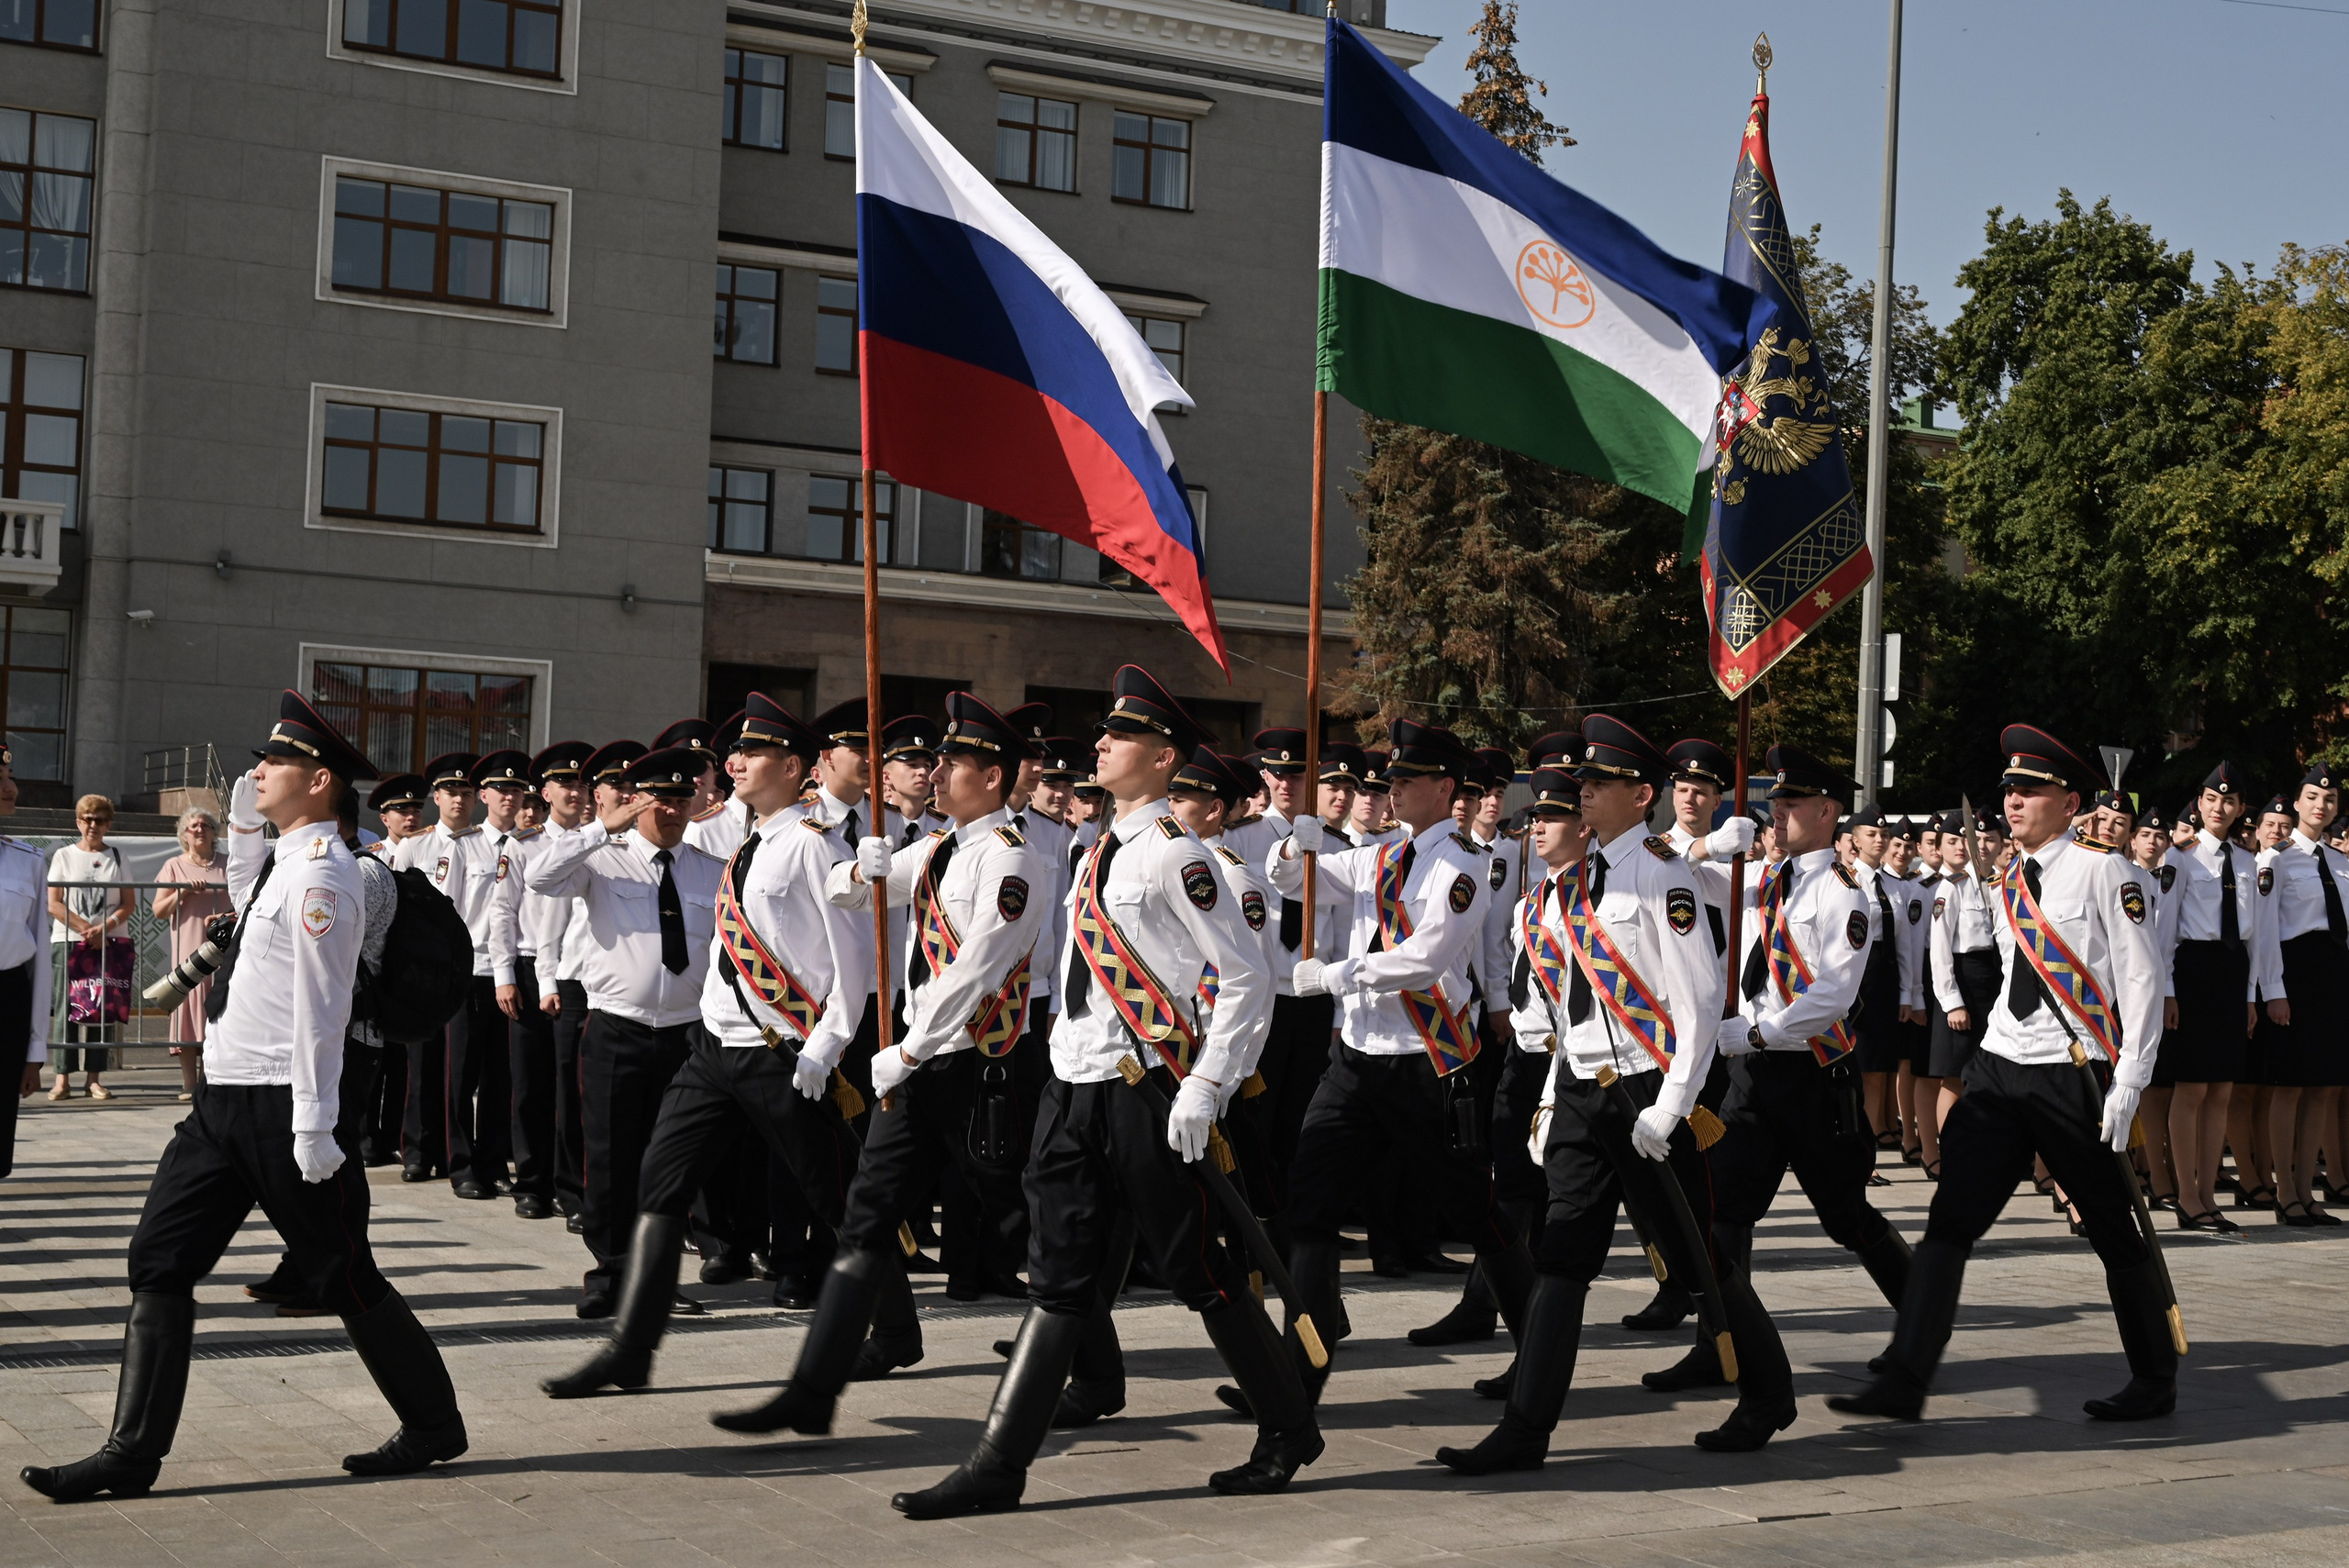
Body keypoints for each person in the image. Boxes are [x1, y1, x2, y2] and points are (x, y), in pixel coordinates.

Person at [20, 694, 465, 1502]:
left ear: (320, 779)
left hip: (281, 1103)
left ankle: (435, 1422)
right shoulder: (288, 861)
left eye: (276, 762)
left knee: (344, 1273)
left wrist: (314, 1124)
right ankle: (131, 1452)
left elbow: (323, 1006)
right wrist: (246, 825)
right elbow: (247, 880)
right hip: (221, 1103)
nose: (257, 770)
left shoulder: (328, 873)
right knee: (159, 1260)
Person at [888, 665, 1309, 1518]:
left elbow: (1245, 976)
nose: (1102, 743)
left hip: (1143, 1095)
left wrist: (1205, 1086)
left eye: (1121, 735)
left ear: (1162, 758)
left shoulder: (1176, 855)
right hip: (1072, 1086)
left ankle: (1287, 1424)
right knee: (1061, 1278)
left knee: (1197, 1270)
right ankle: (999, 1466)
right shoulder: (1092, 850)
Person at [1437, 724, 1792, 1474]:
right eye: (1581, 784)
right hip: (1579, 1091)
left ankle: (1768, 1392)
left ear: (1641, 795)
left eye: (1599, 783)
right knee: (1563, 1256)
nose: (1582, 792)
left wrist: (1673, 1103)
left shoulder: (1665, 878)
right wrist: (1548, 1097)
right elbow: (1569, 1002)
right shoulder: (1568, 884)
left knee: (1695, 1255)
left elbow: (1696, 1005)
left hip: (1646, 1088)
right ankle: (1525, 1428)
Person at [709, 693, 1042, 1431]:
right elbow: (847, 896)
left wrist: (910, 1048)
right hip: (914, 1069)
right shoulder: (935, 847)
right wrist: (863, 870)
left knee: (1021, 1218)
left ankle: (1091, 1361)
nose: (935, 772)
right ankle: (816, 1387)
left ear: (990, 777)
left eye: (952, 761)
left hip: (972, 1068)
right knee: (863, 1218)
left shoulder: (1013, 857)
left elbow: (978, 967)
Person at [1830, 724, 2172, 1426]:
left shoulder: (2107, 869)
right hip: (2000, 1065)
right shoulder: (2007, 875)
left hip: (2071, 1072)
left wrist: (2130, 1081)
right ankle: (1906, 1374)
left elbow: (2141, 978)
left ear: (2069, 799)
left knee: (2113, 1227)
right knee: (1949, 1219)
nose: (2013, 800)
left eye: (2030, 789)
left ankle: (2154, 1375)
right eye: (2009, 788)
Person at [544, 708, 893, 1394]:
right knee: (658, 1185)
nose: (734, 760)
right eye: (732, 751)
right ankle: (632, 1347)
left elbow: (857, 958)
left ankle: (896, 1329)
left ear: (793, 767)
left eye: (752, 751)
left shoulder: (812, 843)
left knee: (835, 1197)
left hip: (777, 1050)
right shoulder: (743, 841)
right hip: (712, 1048)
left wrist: (827, 1043)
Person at [1266, 717, 1538, 1407]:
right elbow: (1304, 884)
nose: (1392, 787)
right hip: (1357, 1063)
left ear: (1444, 787)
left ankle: (1539, 1349)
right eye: (1390, 778)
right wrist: (1290, 847)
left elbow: (1426, 960)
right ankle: (1301, 1371)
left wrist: (1336, 975)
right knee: (1309, 1208)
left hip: (1429, 1064)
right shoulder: (1380, 855)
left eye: (1407, 778)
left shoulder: (1464, 866)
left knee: (1475, 1210)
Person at [1642, 743, 1909, 1401]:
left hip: (1813, 1079)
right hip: (1754, 1079)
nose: (1777, 813)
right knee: (1723, 1211)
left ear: (1825, 811)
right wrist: (1706, 848)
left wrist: (1756, 1029)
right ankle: (1718, 1341)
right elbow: (1665, 873)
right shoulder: (1762, 878)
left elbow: (1832, 997)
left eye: (1790, 802)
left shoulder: (1843, 894)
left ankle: (1919, 1330)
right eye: (1774, 803)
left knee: (1846, 1216)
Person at [525, 747, 725, 1318]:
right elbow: (542, 878)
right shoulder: (601, 861)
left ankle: (658, 1278)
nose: (671, 810)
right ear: (636, 802)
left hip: (688, 1034)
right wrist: (597, 828)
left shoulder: (710, 870)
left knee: (669, 1163)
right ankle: (611, 1273)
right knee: (610, 1158)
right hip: (618, 1027)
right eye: (659, 799)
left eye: (681, 799)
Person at [2159, 762, 2271, 1230]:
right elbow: (2164, 931)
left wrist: (2250, 997)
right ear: (2199, 804)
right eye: (2211, 799)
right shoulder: (2179, 857)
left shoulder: (2248, 862)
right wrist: (2166, 991)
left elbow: (2256, 937)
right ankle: (2186, 1196)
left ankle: (2208, 1195)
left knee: (2222, 1090)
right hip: (2192, 972)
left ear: (2241, 808)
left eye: (2229, 801)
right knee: (2191, 1089)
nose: (2219, 808)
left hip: (2231, 974)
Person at [389, 755, 496, 1190]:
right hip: (424, 969)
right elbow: (394, 907)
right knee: (420, 1065)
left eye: (466, 793)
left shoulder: (489, 846)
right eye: (451, 792)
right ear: (436, 797)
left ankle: (460, 1162)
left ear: (476, 798)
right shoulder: (415, 845)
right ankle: (418, 1151)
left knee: (459, 1071)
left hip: (470, 968)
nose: (458, 799)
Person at [2254, 764, 2346, 1224]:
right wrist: (2273, 990)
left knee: (2323, 1088)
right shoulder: (2277, 859)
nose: (2321, 806)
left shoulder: (2342, 862)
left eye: (2329, 800)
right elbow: (2267, 931)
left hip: (2335, 977)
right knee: (2289, 1087)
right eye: (2312, 797)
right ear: (2296, 803)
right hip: (2296, 974)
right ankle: (2285, 1193)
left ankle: (2309, 1191)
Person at [475, 750, 562, 1219]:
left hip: (578, 972)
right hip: (529, 969)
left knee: (572, 1089)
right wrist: (504, 975)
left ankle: (570, 1184)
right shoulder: (523, 846)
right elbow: (502, 912)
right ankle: (532, 1182)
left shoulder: (603, 844)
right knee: (529, 1084)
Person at [46, 795, 131, 1100]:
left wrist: (102, 930)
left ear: (108, 824)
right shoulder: (64, 856)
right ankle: (61, 1078)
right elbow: (54, 903)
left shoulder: (118, 857)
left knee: (101, 1008)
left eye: (99, 819)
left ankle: (94, 1078)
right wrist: (85, 929)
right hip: (69, 940)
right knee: (66, 1009)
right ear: (78, 822)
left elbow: (127, 904)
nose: (93, 825)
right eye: (87, 819)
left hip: (108, 942)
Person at [1927, 809, 1999, 1153]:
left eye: (1990, 839)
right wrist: (1952, 1001)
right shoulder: (1952, 886)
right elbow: (1940, 950)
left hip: (1996, 983)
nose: (1983, 845)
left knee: (1989, 1075)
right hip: (1964, 983)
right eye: (1978, 839)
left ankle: (1983, 1148)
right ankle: (1950, 1151)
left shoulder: (2005, 883)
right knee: (1955, 1076)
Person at [153, 807, 231, 1102]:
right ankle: (189, 1084)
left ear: (214, 832)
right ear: (184, 835)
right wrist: (183, 892)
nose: (199, 830)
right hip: (189, 951)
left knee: (220, 1015)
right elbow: (159, 911)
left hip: (224, 952)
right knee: (187, 1012)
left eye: (206, 825)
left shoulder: (228, 863)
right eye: (193, 826)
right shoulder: (174, 865)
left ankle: (210, 1083)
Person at [0, 744, 50, 1177]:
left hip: (5, 1003)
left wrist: (35, 1051)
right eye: (0, 779)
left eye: (10, 776)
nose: (10, 786)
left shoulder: (28, 860)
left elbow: (40, 969)